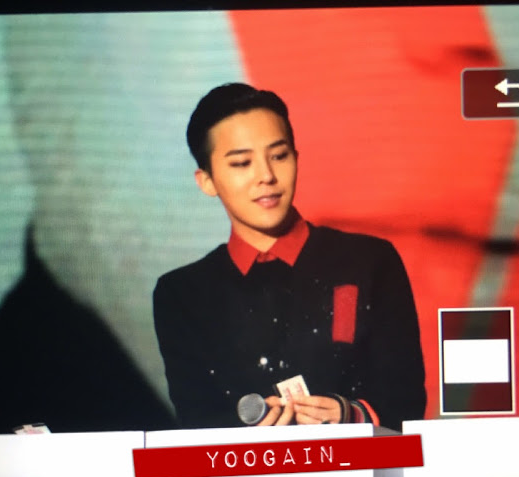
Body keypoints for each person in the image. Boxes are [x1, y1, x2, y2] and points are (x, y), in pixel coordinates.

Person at [152, 83, 426, 432]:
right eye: (242, 163)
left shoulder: (370, 262)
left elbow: (405, 402)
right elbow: (196, 420)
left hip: (358, 466)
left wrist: (350, 415)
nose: (266, 176)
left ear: (296, 157)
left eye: (279, 156)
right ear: (207, 181)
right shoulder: (182, 294)